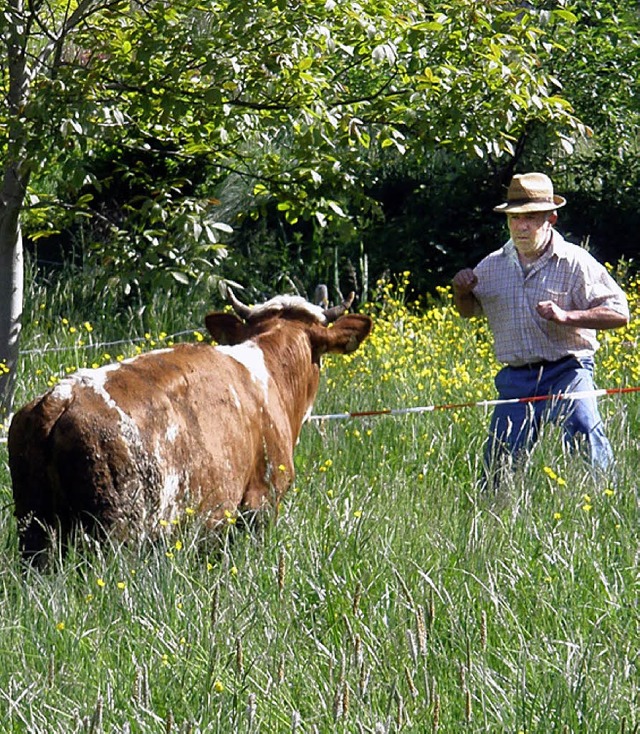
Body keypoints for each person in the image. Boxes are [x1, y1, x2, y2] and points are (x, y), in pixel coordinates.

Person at [452, 172, 629, 484]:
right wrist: (461, 293)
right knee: (501, 456)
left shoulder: (575, 261)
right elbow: (469, 312)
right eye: (515, 218)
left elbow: (619, 313)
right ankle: (495, 514)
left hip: (568, 369)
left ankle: (603, 501)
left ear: (551, 218)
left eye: (531, 217)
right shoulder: (490, 266)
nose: (522, 226)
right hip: (516, 376)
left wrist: (566, 316)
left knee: (584, 427)